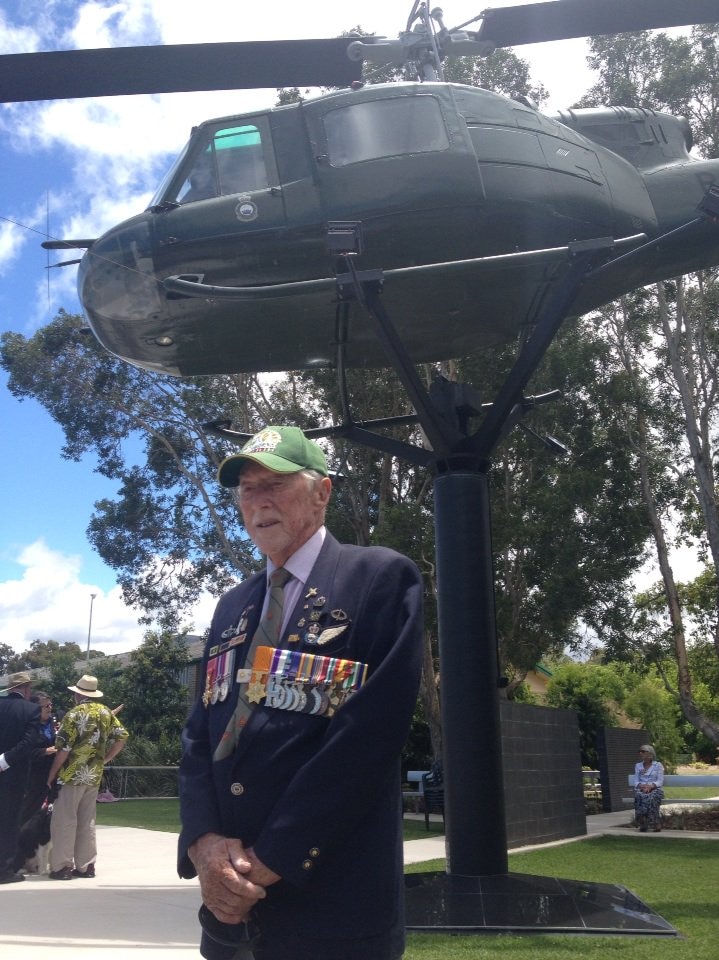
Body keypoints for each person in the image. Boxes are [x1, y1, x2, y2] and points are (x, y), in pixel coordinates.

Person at [178, 425, 423, 960]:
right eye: (246, 488)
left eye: (276, 483)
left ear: (322, 492)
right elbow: (201, 732)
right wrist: (203, 844)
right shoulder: (231, 605)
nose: (259, 501)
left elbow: (368, 740)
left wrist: (271, 858)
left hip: (331, 902)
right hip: (229, 907)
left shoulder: (379, 578)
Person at [47, 674, 129, 880]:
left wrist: (52, 773)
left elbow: (63, 748)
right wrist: (106, 758)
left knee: (65, 821)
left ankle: (62, 866)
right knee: (87, 821)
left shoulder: (73, 715)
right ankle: (86, 865)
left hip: (71, 774)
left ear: (77, 694)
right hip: (93, 775)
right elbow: (122, 736)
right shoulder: (104, 712)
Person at [0, 671, 41, 883]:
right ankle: (4, 871)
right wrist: (4, 760)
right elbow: (28, 743)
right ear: (26, 689)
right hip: (14, 774)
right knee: (9, 822)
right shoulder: (32, 709)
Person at [18, 691, 57, 828]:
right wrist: (44, 751)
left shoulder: (52, 723)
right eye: (45, 706)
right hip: (32, 776)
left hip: (50, 774)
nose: (49, 708)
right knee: (27, 811)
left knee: (46, 812)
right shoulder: (28, 726)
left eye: (50, 705)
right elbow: (21, 752)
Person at [634, 743, 664, 832]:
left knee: (651, 797)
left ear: (650, 753)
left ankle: (654, 823)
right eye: (640, 751)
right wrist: (642, 786)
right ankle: (644, 822)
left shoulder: (658, 765)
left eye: (643, 751)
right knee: (639, 795)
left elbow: (660, 781)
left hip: (655, 789)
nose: (640, 753)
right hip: (642, 789)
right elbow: (636, 781)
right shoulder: (638, 766)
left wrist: (651, 786)